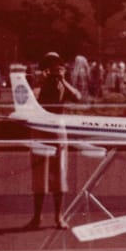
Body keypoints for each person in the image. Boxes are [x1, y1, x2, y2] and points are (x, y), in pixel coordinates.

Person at [25, 52, 82, 230]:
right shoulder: (38, 84)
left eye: (57, 64)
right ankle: (37, 216)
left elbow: (77, 97)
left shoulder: (62, 84)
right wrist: (39, 82)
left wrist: (63, 80)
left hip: (57, 129)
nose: (55, 68)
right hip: (40, 129)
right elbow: (30, 101)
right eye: (51, 65)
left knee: (59, 173)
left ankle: (58, 216)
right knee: (39, 174)